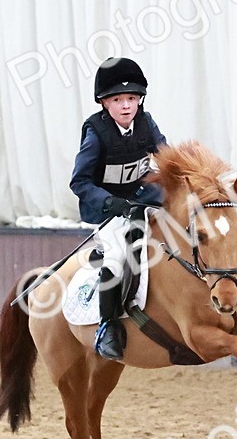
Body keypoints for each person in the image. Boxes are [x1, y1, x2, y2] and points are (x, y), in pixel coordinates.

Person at [70, 57, 167, 360]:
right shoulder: (96, 133)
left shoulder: (146, 123)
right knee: (115, 256)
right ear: (104, 102)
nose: (126, 106)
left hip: (141, 199)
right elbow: (79, 182)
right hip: (108, 209)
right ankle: (108, 326)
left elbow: (167, 157)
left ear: (140, 99)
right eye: (117, 100)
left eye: (131, 98)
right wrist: (109, 202)